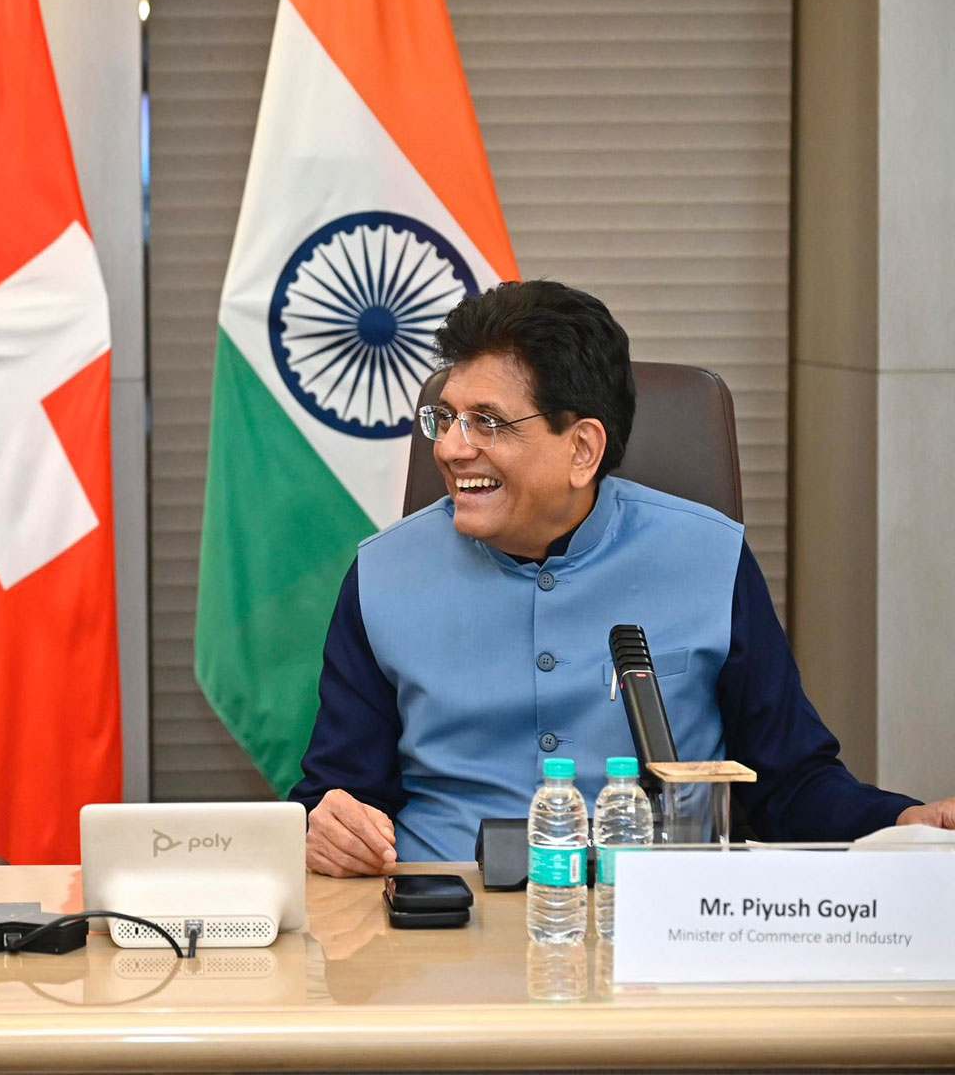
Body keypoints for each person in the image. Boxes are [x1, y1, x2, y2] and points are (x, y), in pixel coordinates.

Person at [292, 280, 955, 876]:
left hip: (656, 925)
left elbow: (788, 783)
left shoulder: (710, 559)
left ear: (582, 449)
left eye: (486, 422)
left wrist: (900, 823)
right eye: (447, 417)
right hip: (441, 925)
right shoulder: (383, 574)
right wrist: (326, 826)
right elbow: (340, 793)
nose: (450, 447)